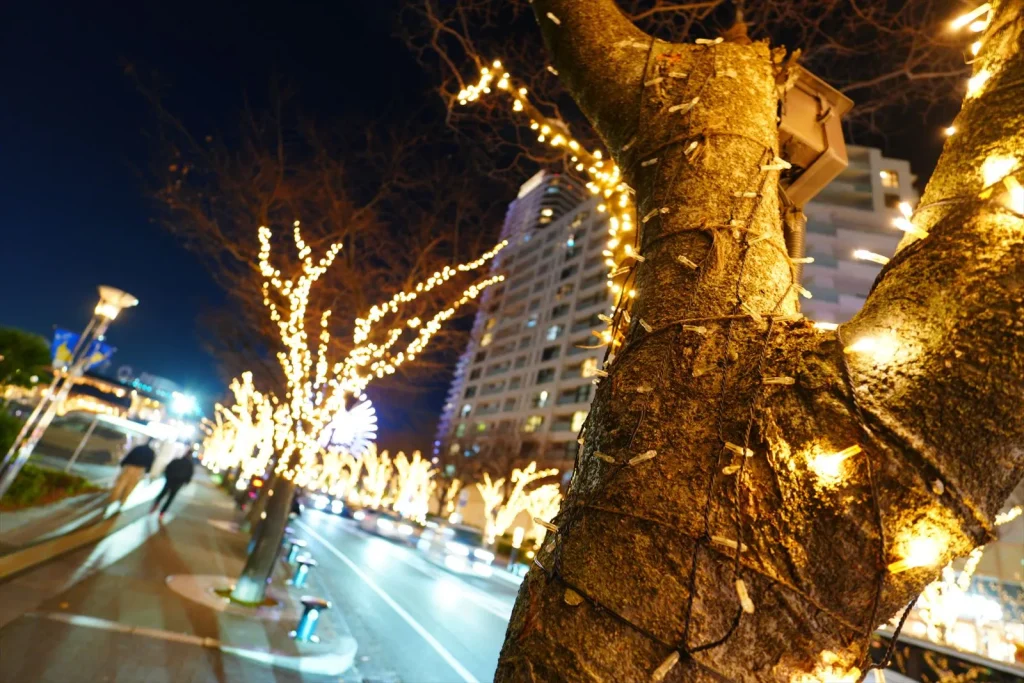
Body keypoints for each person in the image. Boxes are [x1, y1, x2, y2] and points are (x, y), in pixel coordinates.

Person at [109, 438, 156, 508]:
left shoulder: (138, 448)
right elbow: (150, 464)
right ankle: (122, 501)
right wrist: (147, 472)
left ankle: (112, 499)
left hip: (130, 468)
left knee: (120, 484)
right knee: (130, 487)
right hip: (140, 471)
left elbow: (129, 456)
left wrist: (122, 464)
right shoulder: (152, 452)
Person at [151, 448, 195, 520]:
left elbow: (168, 468)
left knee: (162, 493)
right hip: (178, 484)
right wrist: (185, 482)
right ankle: (162, 512)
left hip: (170, 481)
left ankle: (156, 504)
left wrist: (167, 477)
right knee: (170, 498)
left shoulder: (177, 460)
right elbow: (189, 475)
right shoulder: (190, 465)